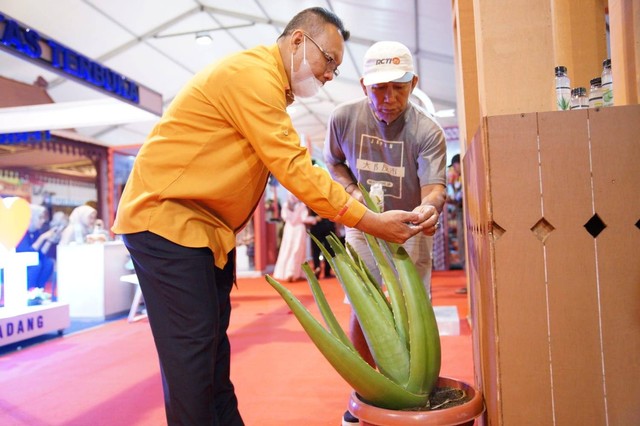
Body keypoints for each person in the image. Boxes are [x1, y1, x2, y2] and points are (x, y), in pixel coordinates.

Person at [111, 8, 436, 426]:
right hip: (168, 224)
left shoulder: (272, 89)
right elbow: (296, 168)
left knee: (211, 355)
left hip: (206, 233)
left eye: (337, 68)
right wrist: (369, 221)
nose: (329, 74)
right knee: (193, 359)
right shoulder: (253, 77)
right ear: (299, 40)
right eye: (329, 61)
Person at [322, 41, 446, 425]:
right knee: (367, 305)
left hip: (411, 228)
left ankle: (415, 390)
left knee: (415, 308)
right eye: (379, 88)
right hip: (362, 226)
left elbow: (435, 188)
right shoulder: (343, 119)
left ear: (413, 84)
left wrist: (429, 208)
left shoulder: (428, 130)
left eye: (398, 87)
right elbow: (334, 163)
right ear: (363, 85)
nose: (388, 98)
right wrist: (352, 193)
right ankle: (371, 389)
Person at [272, 193, 315, 282]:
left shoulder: (286, 205)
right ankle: (293, 272)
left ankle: (285, 272)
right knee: (297, 251)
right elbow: (304, 218)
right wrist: (314, 220)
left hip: (289, 229)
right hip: (298, 229)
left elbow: (284, 217)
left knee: (287, 249)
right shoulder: (301, 205)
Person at [16, 204, 54, 292]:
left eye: (43, 218)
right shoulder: (22, 231)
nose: (43, 221)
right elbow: (27, 254)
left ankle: (39, 290)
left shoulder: (35, 231)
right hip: (18, 263)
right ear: (31, 218)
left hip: (31, 261)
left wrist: (49, 241)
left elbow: (40, 254)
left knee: (48, 263)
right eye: (40, 218)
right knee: (36, 265)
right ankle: (28, 292)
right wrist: (42, 238)